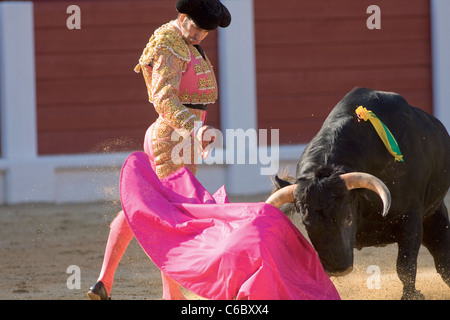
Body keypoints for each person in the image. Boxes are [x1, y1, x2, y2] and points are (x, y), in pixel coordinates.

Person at [87, 0, 231, 300]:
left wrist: (195, 133)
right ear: (182, 16)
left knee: (143, 207)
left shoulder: (184, 41)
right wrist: (194, 128)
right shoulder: (169, 41)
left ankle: (105, 282)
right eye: (197, 29)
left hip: (182, 138)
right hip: (172, 138)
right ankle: (172, 296)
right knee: (171, 216)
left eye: (206, 32)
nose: (200, 37)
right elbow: (163, 97)